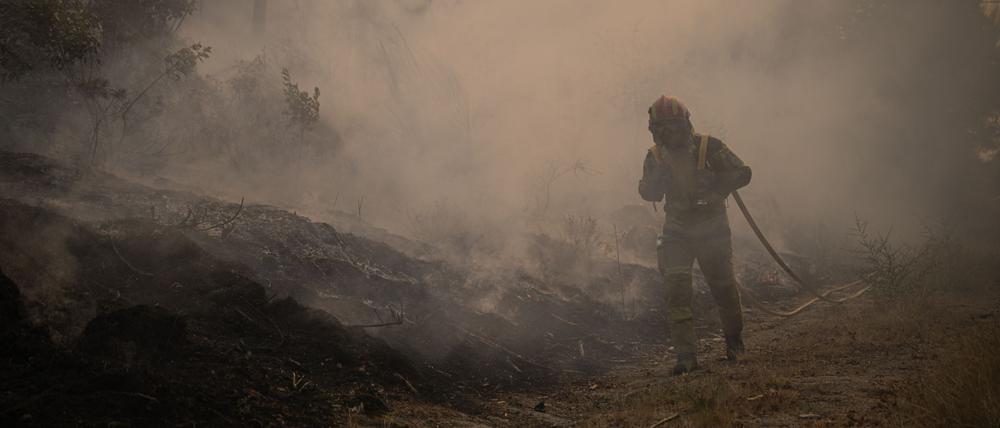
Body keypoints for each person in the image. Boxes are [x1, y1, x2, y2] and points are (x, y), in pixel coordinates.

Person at [638, 95, 752, 375]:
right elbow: (646, 192)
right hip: (676, 230)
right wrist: (657, 181)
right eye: (661, 128)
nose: (668, 133)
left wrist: (716, 181)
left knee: (724, 288)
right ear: (654, 129)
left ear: (685, 123)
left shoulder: (709, 147)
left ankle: (734, 343)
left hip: (712, 228)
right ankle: (685, 356)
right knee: (676, 292)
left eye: (673, 126)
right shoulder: (654, 156)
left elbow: (743, 172)